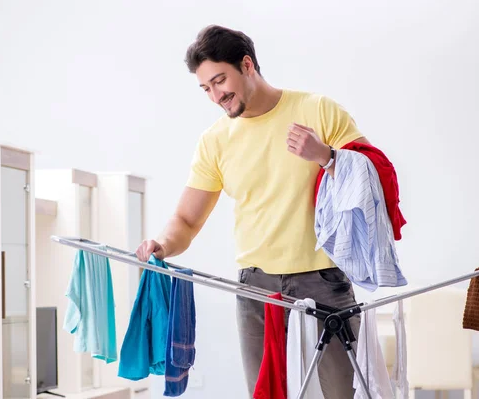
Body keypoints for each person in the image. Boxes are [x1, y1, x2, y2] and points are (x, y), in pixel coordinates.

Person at [135, 24, 370, 399]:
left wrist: (325, 156)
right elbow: (187, 220)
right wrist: (162, 245)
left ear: (247, 65)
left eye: (219, 80)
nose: (215, 95)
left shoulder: (316, 110)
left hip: (324, 277)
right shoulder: (216, 141)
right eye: (205, 88)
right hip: (257, 284)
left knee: (341, 394)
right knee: (264, 394)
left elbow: (373, 177)